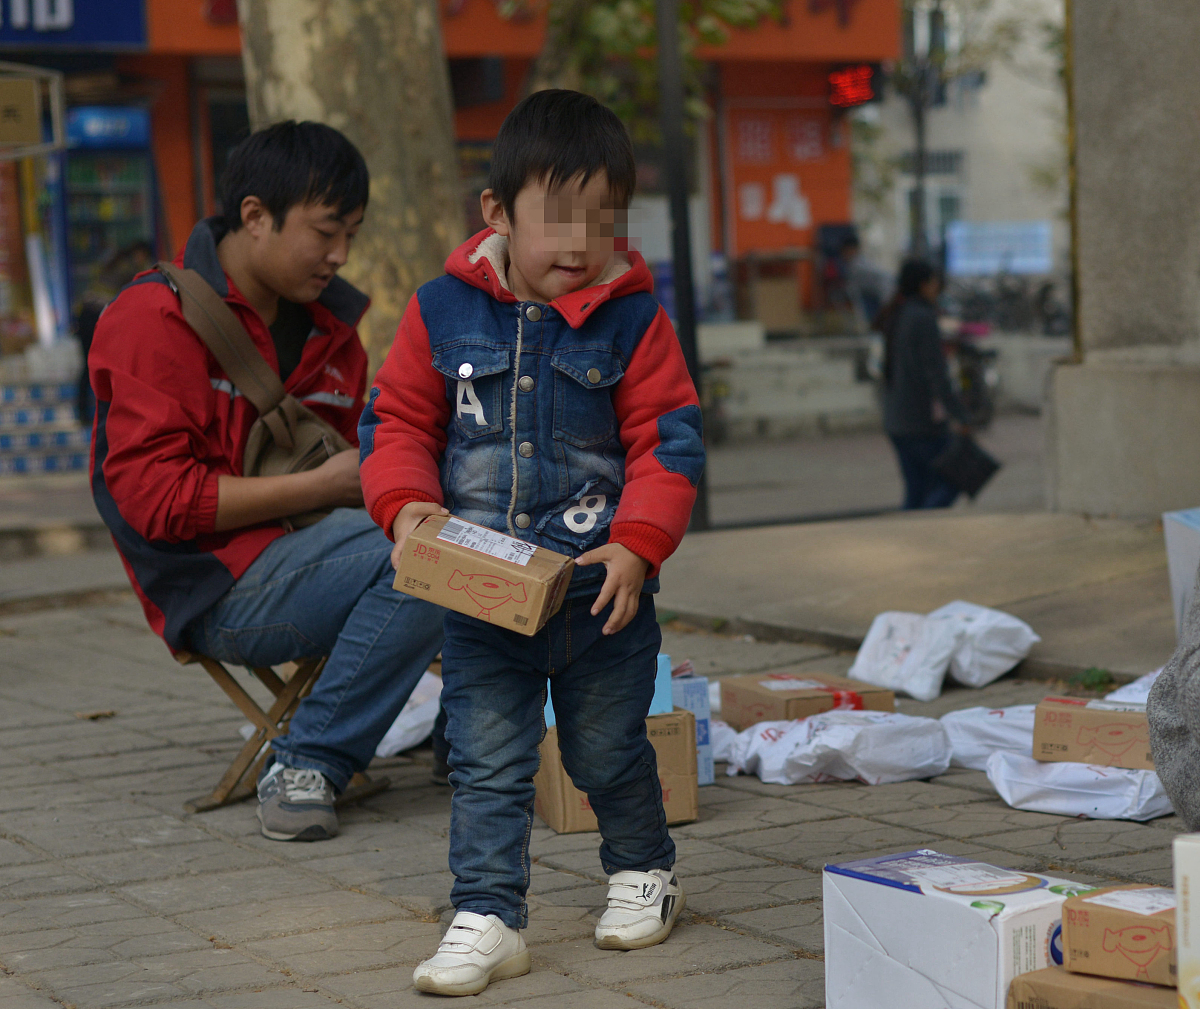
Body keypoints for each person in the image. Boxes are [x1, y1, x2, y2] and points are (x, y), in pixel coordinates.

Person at [359, 89, 706, 997]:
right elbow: (394, 423)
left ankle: (643, 869)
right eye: (560, 216)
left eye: (605, 219)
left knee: (603, 750)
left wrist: (639, 542)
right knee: (487, 757)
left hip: (602, 595)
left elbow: (668, 441)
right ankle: (488, 913)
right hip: (480, 591)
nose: (583, 241)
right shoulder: (439, 311)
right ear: (498, 214)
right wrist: (405, 510)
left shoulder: (634, 319)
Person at [88, 121, 444, 843]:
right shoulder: (153, 319)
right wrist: (325, 488)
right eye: (325, 232)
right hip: (212, 586)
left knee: (459, 525)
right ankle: (306, 760)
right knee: (419, 556)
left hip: (318, 555)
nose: (340, 255)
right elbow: (158, 502)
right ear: (255, 217)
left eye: (352, 233)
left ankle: (475, 731)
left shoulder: (334, 332)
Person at [877, 258, 971, 509]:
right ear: (924, 285)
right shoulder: (923, 318)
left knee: (916, 490)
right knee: (951, 481)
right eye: (933, 283)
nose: (937, 288)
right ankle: (925, 531)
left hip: (896, 419)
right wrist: (960, 416)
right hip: (920, 423)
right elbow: (936, 374)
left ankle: (910, 537)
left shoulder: (897, 314)